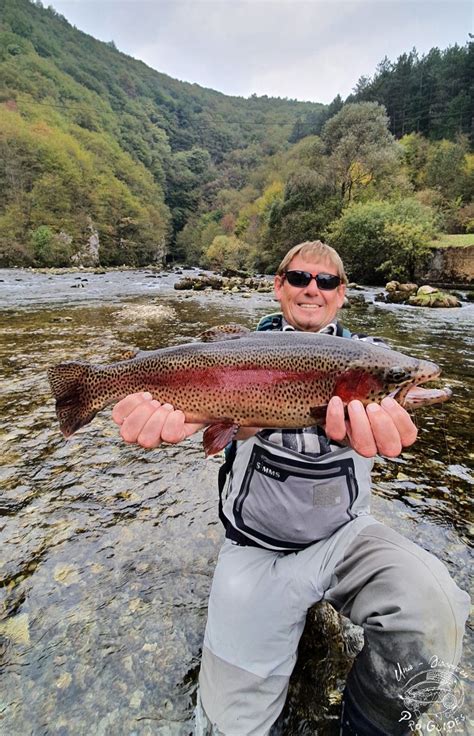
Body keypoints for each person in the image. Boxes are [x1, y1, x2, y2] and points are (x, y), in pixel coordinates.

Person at [112, 241, 469, 736]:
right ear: (278, 287)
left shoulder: (366, 358)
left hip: (343, 540)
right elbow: (214, 416)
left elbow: (392, 394)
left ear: (342, 294)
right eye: (299, 278)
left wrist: (396, 410)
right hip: (255, 550)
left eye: (325, 282)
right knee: (227, 728)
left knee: (440, 610)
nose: (312, 289)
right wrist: (217, 419)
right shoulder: (238, 353)